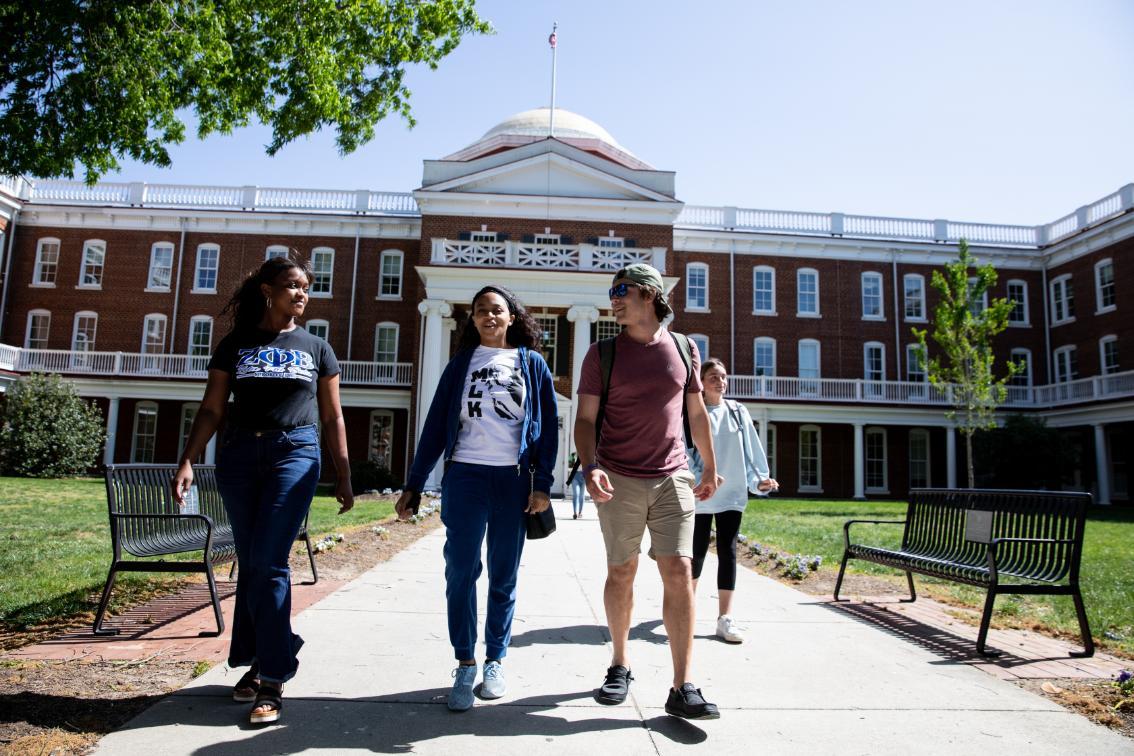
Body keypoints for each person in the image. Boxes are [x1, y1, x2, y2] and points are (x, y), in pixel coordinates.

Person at [172, 256, 354, 725]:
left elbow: (332, 415)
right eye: (293, 286)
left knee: (270, 562)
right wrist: (190, 458)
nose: (302, 294)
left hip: (294, 453)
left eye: (307, 288)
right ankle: (263, 656)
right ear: (268, 291)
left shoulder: (317, 348)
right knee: (252, 564)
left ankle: (273, 677)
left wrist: (345, 473)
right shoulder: (236, 344)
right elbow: (212, 409)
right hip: (238, 456)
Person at [395, 285, 558, 712]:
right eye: (481, 310)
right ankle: (465, 663)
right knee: (461, 571)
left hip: (514, 480)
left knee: (504, 575)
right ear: (473, 319)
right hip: (465, 477)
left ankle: (496, 661)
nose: (489, 316)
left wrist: (542, 484)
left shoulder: (533, 364)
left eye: (497, 310)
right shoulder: (460, 365)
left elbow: (548, 429)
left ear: (511, 317)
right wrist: (414, 483)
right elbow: (434, 426)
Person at [574, 263, 724, 721]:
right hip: (617, 476)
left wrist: (710, 467)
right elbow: (583, 419)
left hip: (673, 476)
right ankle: (619, 664)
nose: (613, 300)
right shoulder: (602, 353)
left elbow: (695, 413)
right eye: (612, 292)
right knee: (622, 572)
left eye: (621, 291)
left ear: (649, 295)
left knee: (679, 570)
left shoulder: (685, 348)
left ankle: (683, 685)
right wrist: (589, 466)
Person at [688, 358, 778, 644]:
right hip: (702, 494)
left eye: (723, 376)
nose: (720, 381)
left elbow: (752, 452)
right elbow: (685, 451)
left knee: (728, 551)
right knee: (696, 554)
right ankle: (684, 613)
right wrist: (699, 479)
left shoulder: (738, 411)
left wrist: (760, 480)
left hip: (733, 493)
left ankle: (724, 618)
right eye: (713, 376)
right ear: (701, 382)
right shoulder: (691, 411)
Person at [568, 451, 586, 519]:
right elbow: (569, 465)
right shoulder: (572, 455)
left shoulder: (586, 454)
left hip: (584, 476)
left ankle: (580, 512)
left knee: (581, 495)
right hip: (575, 476)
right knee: (576, 494)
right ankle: (575, 513)